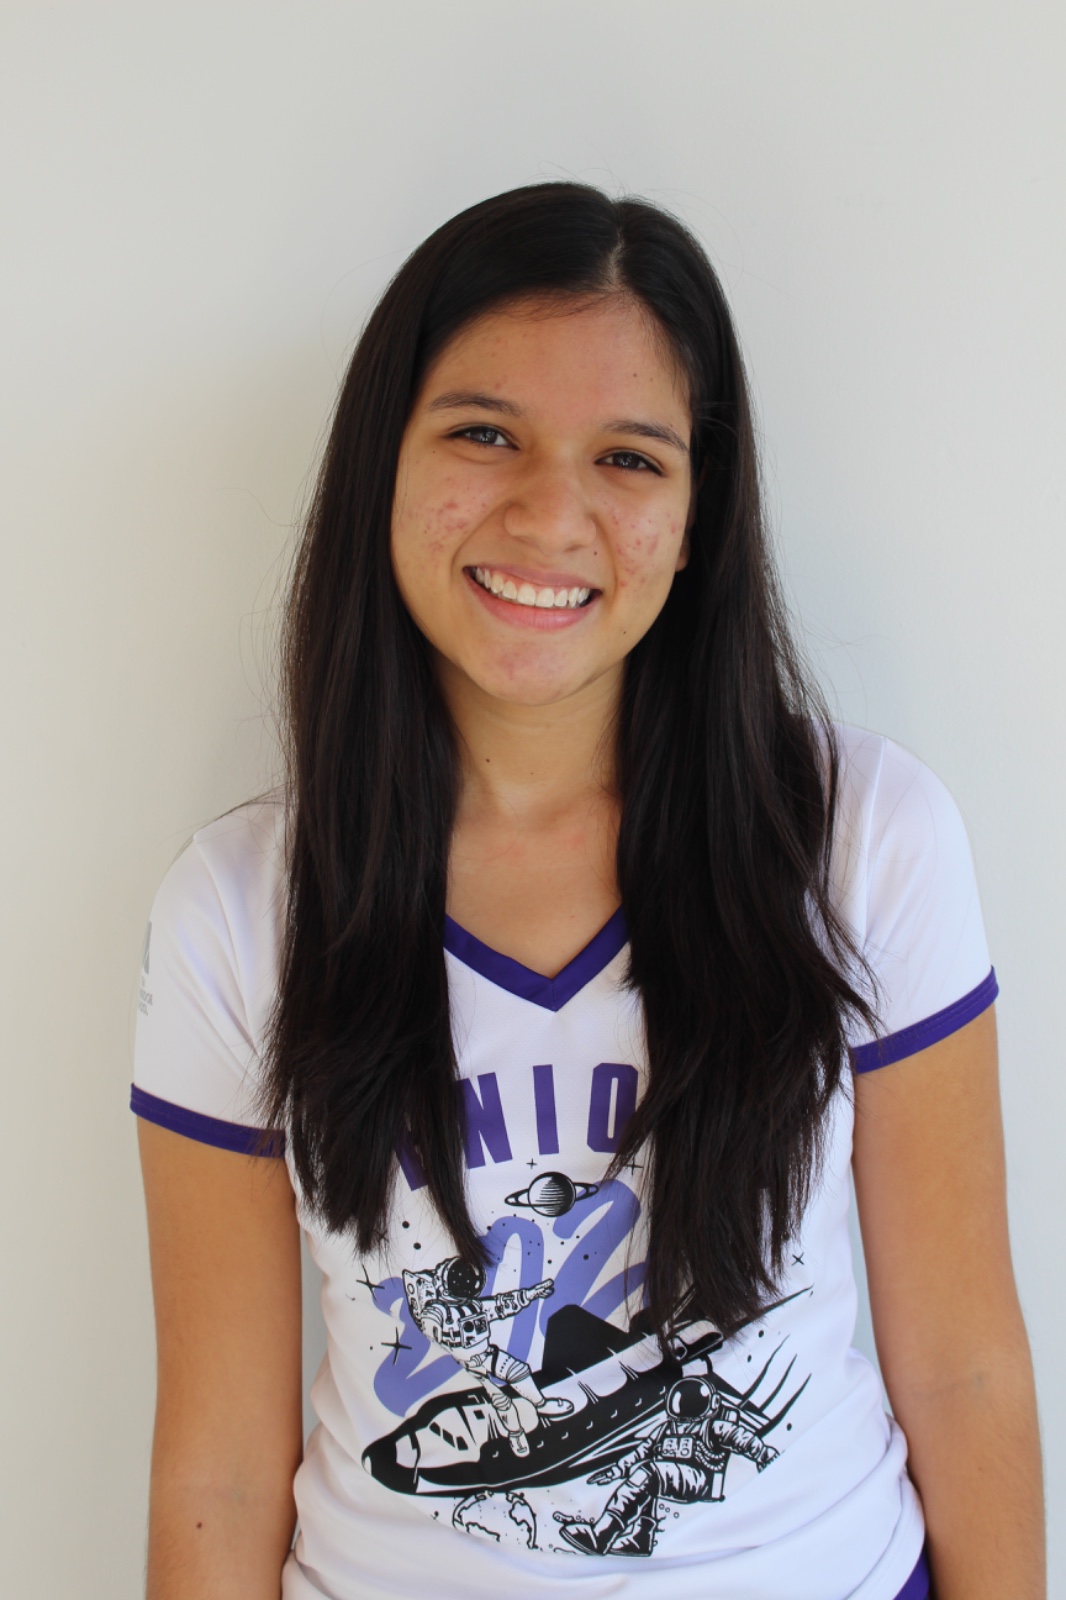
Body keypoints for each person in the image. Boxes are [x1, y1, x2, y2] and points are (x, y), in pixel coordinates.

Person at [132, 183, 1044, 1600]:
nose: (550, 512)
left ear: (695, 518)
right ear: (384, 461)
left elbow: (967, 1369)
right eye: (485, 433)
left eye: (628, 459)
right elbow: (220, 1466)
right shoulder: (241, 910)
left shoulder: (861, 838)